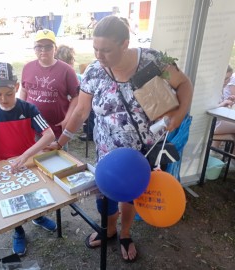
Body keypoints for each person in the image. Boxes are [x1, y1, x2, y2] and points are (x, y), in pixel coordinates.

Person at [46, 15, 193, 262]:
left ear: (125, 44)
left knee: (131, 194)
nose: (99, 55)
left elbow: (184, 84)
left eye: (106, 50)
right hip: (107, 151)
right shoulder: (94, 71)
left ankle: (125, 233)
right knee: (106, 194)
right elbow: (82, 111)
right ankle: (109, 230)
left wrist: (179, 115)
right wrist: (61, 141)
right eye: (95, 48)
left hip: (142, 151)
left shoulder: (152, 61)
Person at [0, 62, 56, 256]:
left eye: (9, 94)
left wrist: (26, 154)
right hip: (6, 168)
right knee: (13, 201)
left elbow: (49, 135)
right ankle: (18, 231)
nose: (4, 99)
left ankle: (38, 216)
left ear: (17, 87)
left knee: (35, 193)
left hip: (28, 163)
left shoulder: (28, 109)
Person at [20, 29, 79, 144]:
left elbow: (76, 96)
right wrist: (21, 112)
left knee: (55, 159)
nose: (43, 50)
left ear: (55, 49)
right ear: (34, 49)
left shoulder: (67, 70)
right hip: (32, 127)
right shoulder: (27, 67)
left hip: (56, 129)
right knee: (32, 159)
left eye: (48, 46)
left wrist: (68, 119)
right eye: (39, 47)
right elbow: (23, 90)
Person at [54, 44, 94, 141]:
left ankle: (88, 131)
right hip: (69, 108)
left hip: (74, 107)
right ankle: (88, 131)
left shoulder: (77, 77)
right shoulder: (73, 76)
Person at [213, 65, 235, 152]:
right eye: (224, 78)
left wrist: (227, 101)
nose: (226, 82)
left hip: (218, 121)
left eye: (228, 78)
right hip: (212, 124)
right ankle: (232, 160)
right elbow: (207, 110)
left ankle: (214, 152)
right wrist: (223, 104)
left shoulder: (221, 88)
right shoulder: (213, 89)